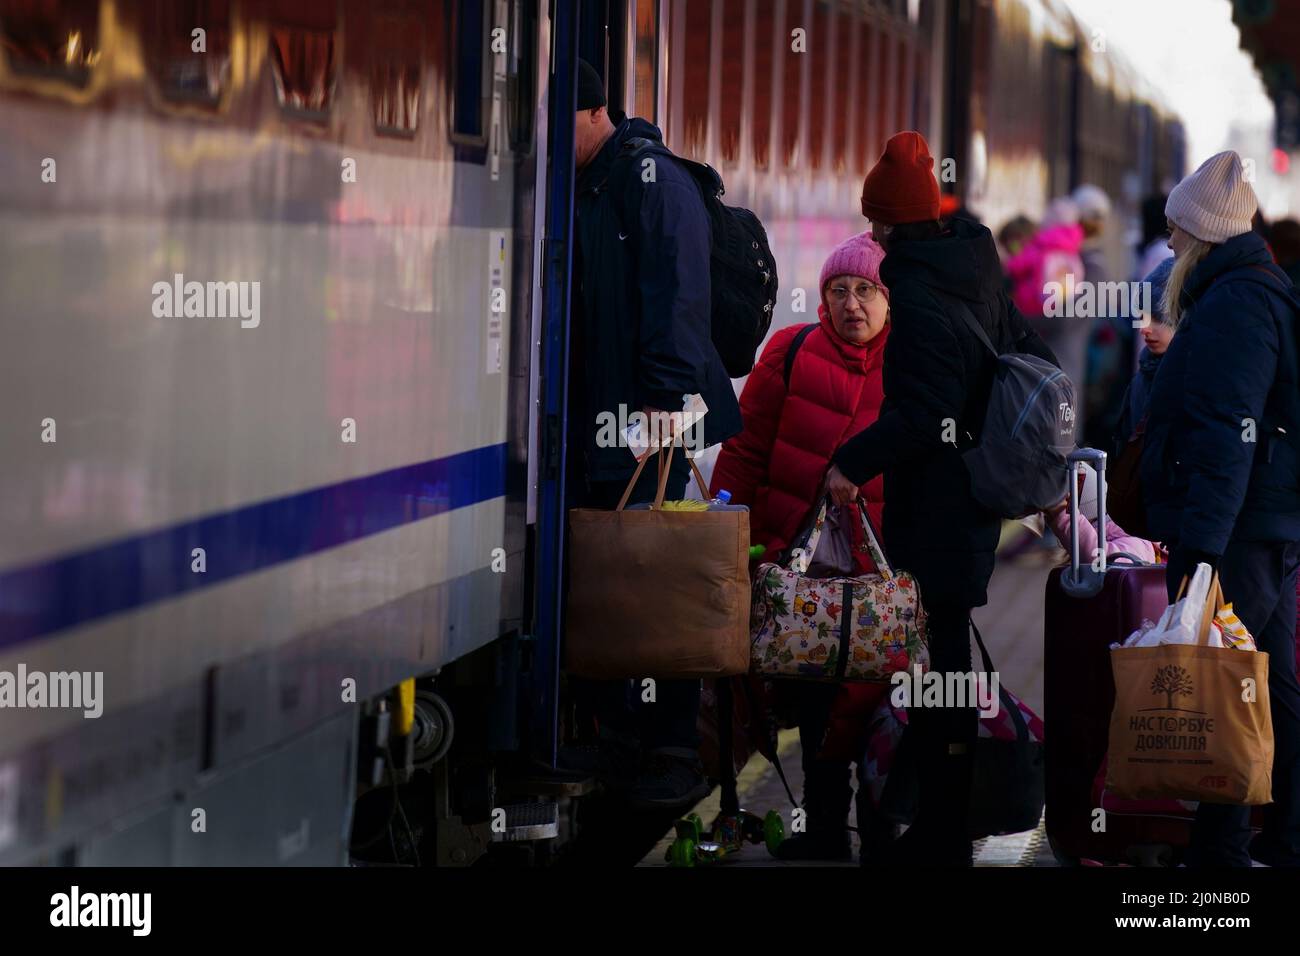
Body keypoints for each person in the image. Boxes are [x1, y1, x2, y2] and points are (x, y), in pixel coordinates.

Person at [825, 130, 1058, 865]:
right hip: (976, 498)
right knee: (943, 658)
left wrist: (850, 462)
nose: (871, 233)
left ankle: (944, 826)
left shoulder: (919, 290)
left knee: (944, 666)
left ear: (891, 222)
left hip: (941, 504)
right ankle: (937, 816)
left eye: (875, 220)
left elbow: (925, 414)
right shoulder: (976, 259)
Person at [566, 59, 742, 810]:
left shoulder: (653, 181)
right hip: (608, 419)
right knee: (620, 573)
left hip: (653, 419)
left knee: (662, 574)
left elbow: (679, 300)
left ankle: (671, 745)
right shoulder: (595, 182)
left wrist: (662, 413)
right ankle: (625, 737)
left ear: (590, 113)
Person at [710, 232, 894, 861]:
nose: (852, 304)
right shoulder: (789, 354)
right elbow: (744, 449)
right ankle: (823, 832)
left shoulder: (913, 368)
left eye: (867, 290)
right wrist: (727, 532)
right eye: (838, 290)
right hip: (802, 565)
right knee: (813, 698)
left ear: (889, 300)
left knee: (872, 701)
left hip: (879, 573)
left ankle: (878, 830)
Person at [1140, 149, 1300, 867]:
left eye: (1177, 229)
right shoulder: (1241, 292)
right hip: (1256, 521)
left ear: (1200, 234)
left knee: (1235, 683)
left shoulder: (1237, 302)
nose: (1168, 240)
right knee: (1265, 679)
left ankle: (1226, 846)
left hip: (1240, 528)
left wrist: (1202, 548)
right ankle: (1243, 839)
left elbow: (1228, 433)